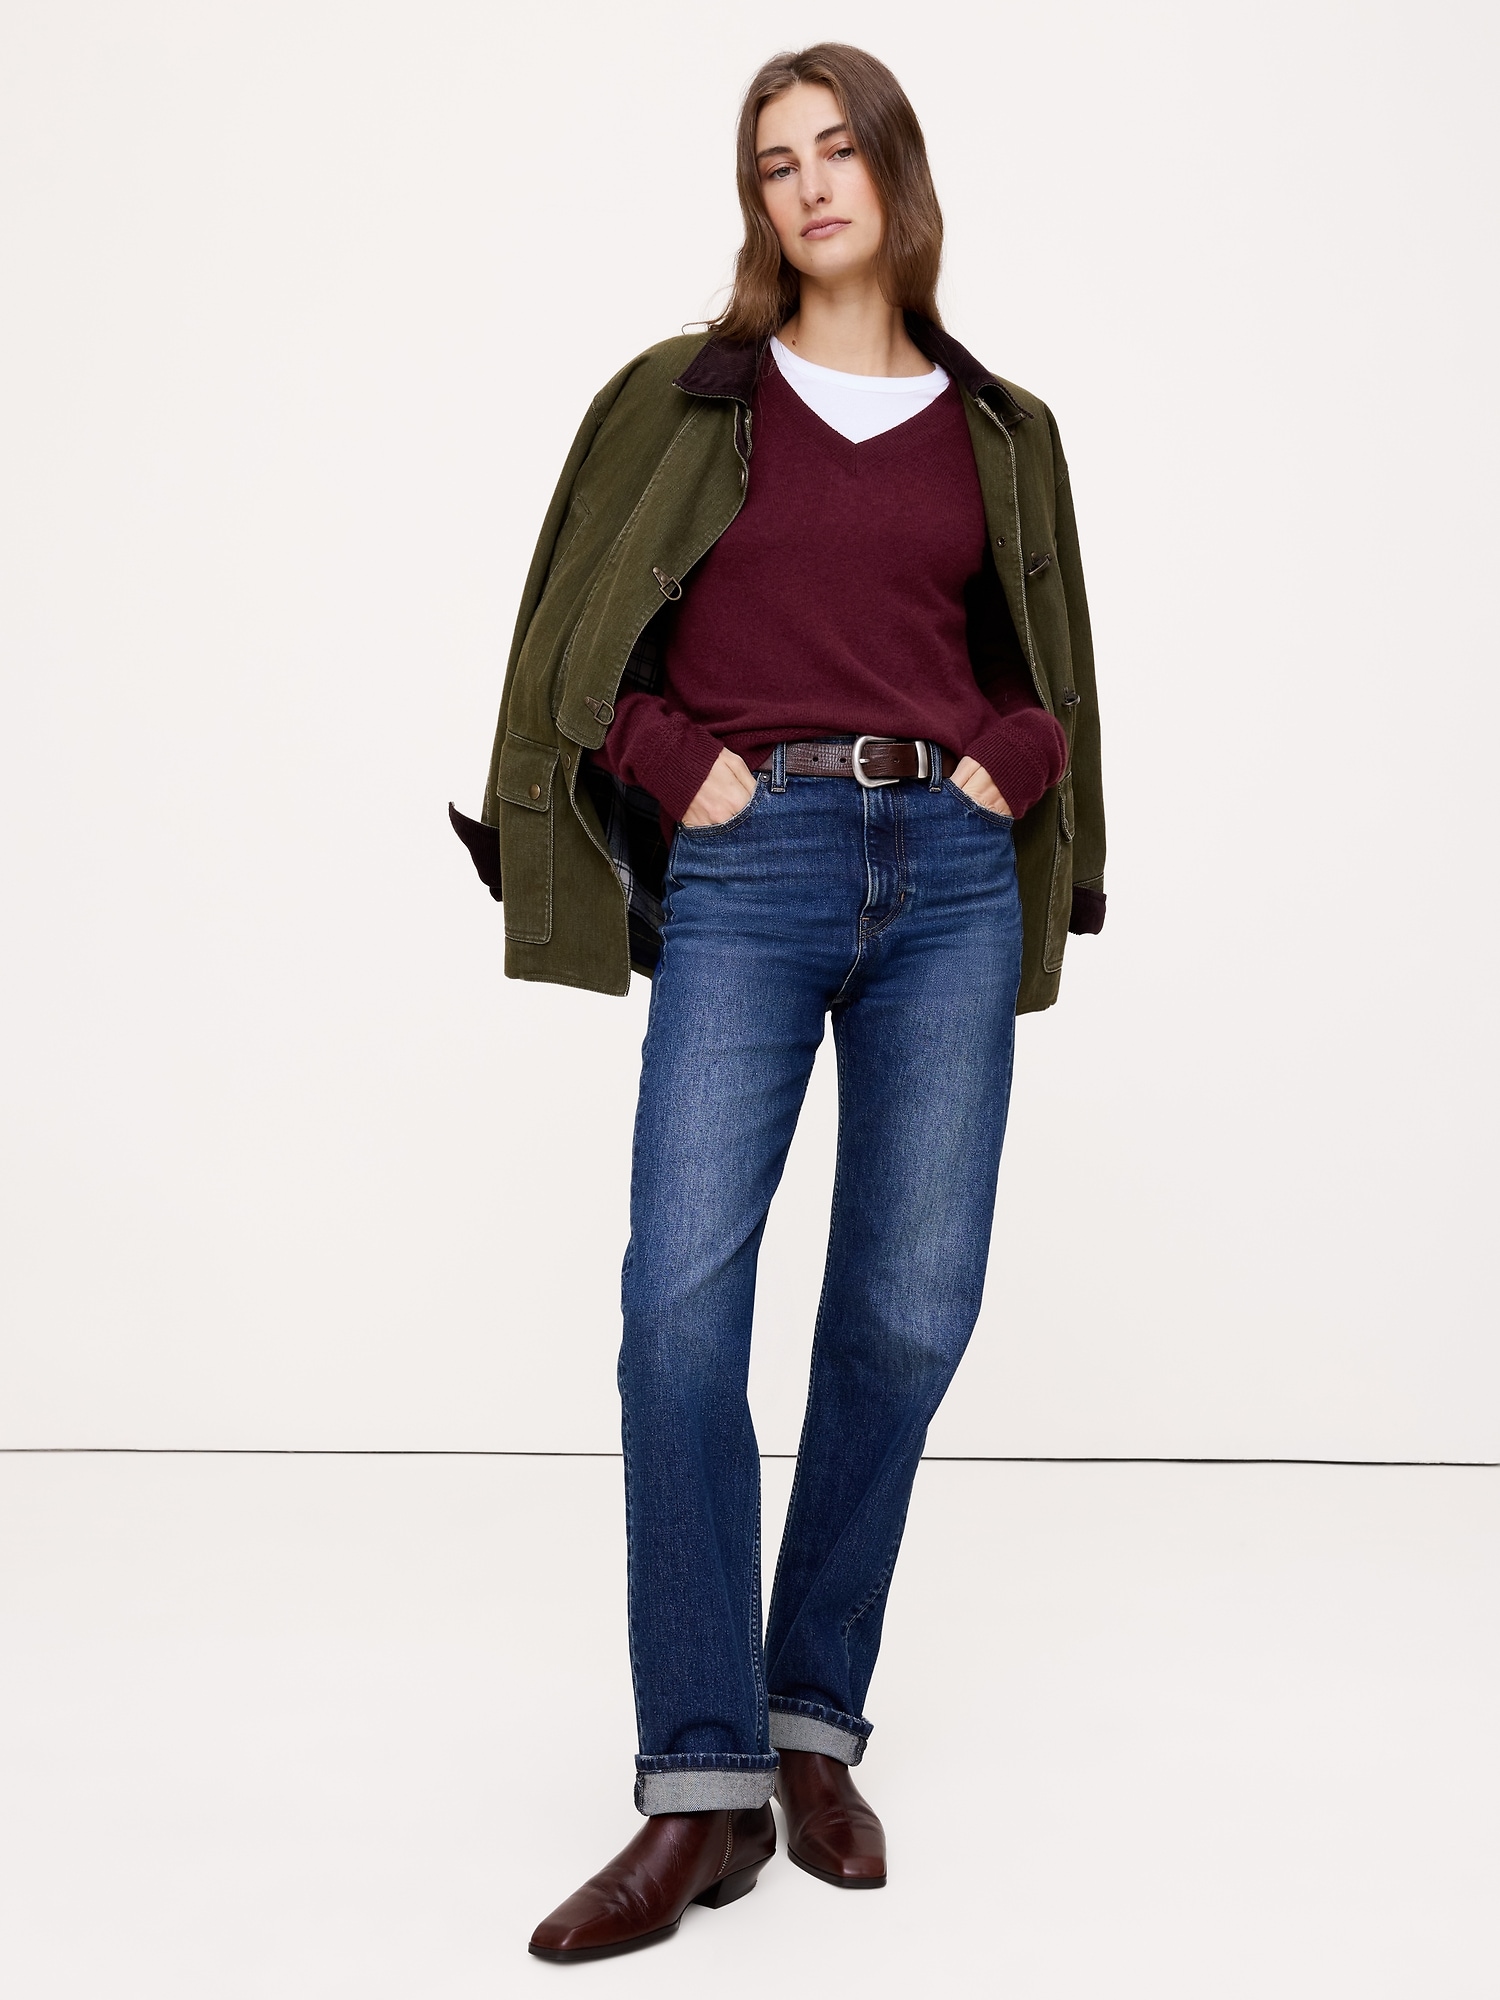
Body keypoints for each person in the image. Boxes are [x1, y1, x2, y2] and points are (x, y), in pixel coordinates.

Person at [451, 41, 1105, 1963]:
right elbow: (572, 641)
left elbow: (1046, 668)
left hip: (952, 879)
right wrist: (679, 765)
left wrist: (1015, 757)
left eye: (837, 150)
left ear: (897, 172)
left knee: (907, 1312)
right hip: (752, 868)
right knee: (679, 1313)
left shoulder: (1002, 427)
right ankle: (702, 1787)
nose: (810, 185)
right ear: (756, 202)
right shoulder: (681, 397)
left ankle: (811, 1724)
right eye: (773, 163)